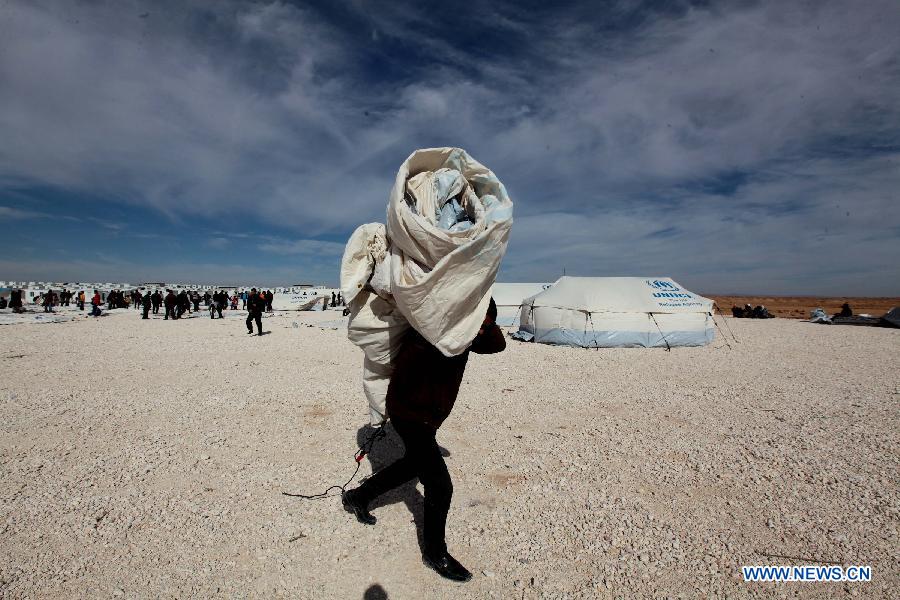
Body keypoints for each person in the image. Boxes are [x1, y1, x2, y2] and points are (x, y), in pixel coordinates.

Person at [342, 298, 505, 582]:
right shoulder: (431, 327)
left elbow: (497, 345)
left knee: (413, 464)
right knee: (440, 485)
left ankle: (358, 497)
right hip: (409, 412)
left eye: (481, 321)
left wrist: (484, 325)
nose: (478, 327)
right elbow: (407, 371)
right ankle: (434, 552)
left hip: (428, 416)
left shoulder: (466, 334)